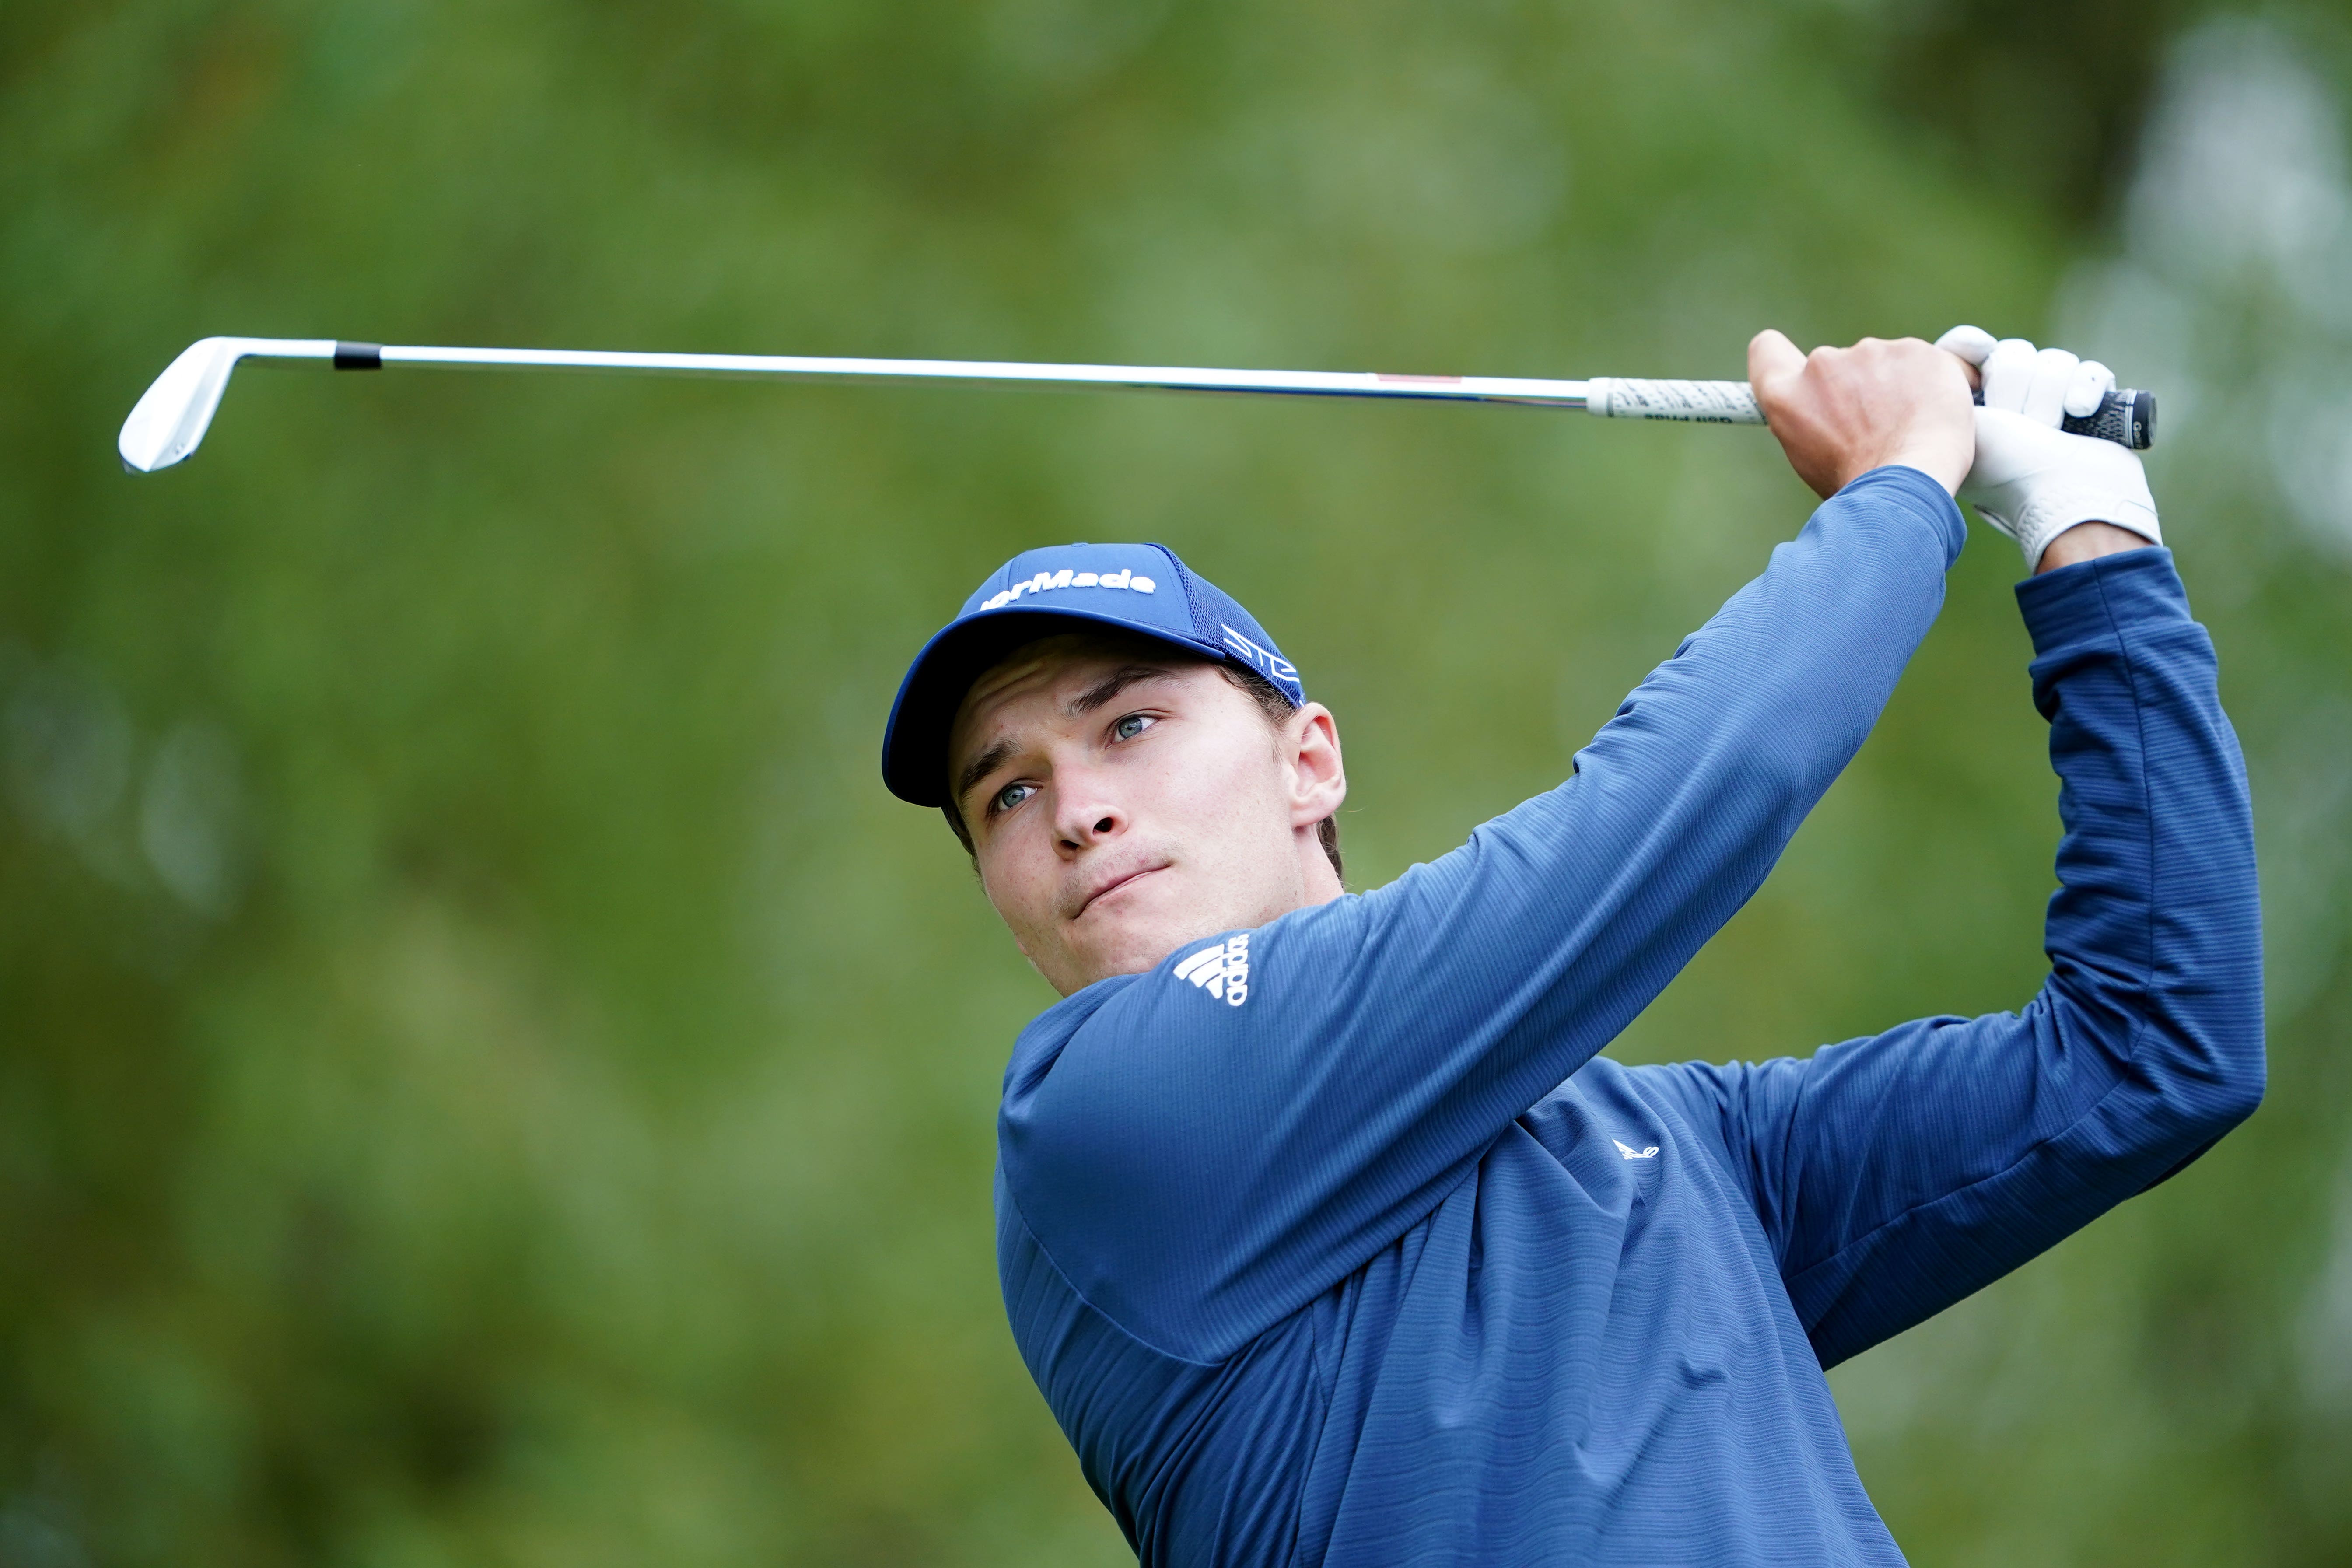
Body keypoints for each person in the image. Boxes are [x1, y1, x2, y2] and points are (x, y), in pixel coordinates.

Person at [878, 329, 2264, 1566]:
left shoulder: (1671, 1149)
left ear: (1310, 762)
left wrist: (2090, 530)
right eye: (1008, 791)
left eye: (1128, 725)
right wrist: (1899, 489)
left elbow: (2151, 1051)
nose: (1076, 810)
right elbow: (1655, 821)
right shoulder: (1102, 1118)